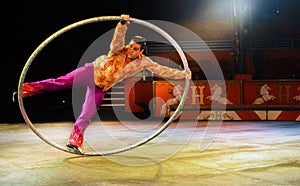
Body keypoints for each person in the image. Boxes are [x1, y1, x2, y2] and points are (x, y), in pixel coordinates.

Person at [21, 14, 191, 154]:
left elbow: (162, 70)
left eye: (135, 48)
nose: (131, 50)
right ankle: (27, 89)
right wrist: (123, 24)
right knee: (60, 82)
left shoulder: (144, 62)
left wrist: (183, 74)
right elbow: (118, 39)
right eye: (131, 46)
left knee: (87, 114)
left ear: (141, 51)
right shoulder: (119, 49)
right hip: (91, 72)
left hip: (102, 86)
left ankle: (74, 140)